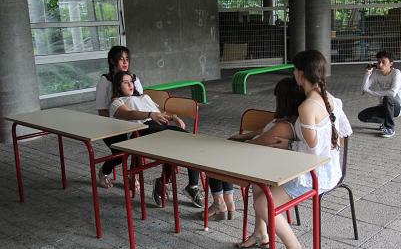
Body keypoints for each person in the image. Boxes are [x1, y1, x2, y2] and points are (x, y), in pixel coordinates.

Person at [239, 50, 351, 249]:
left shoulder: (307, 107)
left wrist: (289, 145)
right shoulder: (331, 99)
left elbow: (310, 148)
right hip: (325, 168)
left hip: (314, 175)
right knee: (258, 181)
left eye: (294, 70)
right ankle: (261, 233)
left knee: (262, 204)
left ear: (300, 74)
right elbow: (343, 135)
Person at [204, 77, 305, 221]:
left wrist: (235, 144)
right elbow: (263, 131)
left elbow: (257, 143)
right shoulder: (284, 119)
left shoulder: (284, 127)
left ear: (284, 100)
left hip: (260, 163)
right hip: (259, 158)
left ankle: (220, 202)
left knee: (213, 158)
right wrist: (242, 136)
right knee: (219, 154)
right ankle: (228, 202)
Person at [109, 71, 204, 208]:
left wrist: (173, 117)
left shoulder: (144, 97)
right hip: (140, 131)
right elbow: (128, 114)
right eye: (125, 82)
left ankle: (190, 185)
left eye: (131, 81)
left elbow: (159, 114)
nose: (130, 84)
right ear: (118, 86)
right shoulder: (117, 102)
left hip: (159, 126)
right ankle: (164, 182)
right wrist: (149, 114)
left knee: (190, 140)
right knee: (177, 142)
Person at [95, 46, 143, 189]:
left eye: (127, 59)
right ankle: (103, 172)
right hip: (111, 125)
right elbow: (102, 110)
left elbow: (139, 101)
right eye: (121, 59)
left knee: (139, 146)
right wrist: (113, 127)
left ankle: (132, 175)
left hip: (134, 122)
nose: (125, 62)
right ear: (112, 61)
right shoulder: (106, 80)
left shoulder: (133, 78)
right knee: (120, 153)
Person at [358, 50, 401, 138]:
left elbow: (392, 93)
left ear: (391, 63)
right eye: (379, 62)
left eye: (384, 62)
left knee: (388, 98)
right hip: (384, 106)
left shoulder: (396, 73)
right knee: (362, 116)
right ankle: (385, 122)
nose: (380, 65)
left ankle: (390, 128)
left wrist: (373, 93)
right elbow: (363, 89)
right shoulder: (376, 73)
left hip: (397, 107)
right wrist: (368, 73)